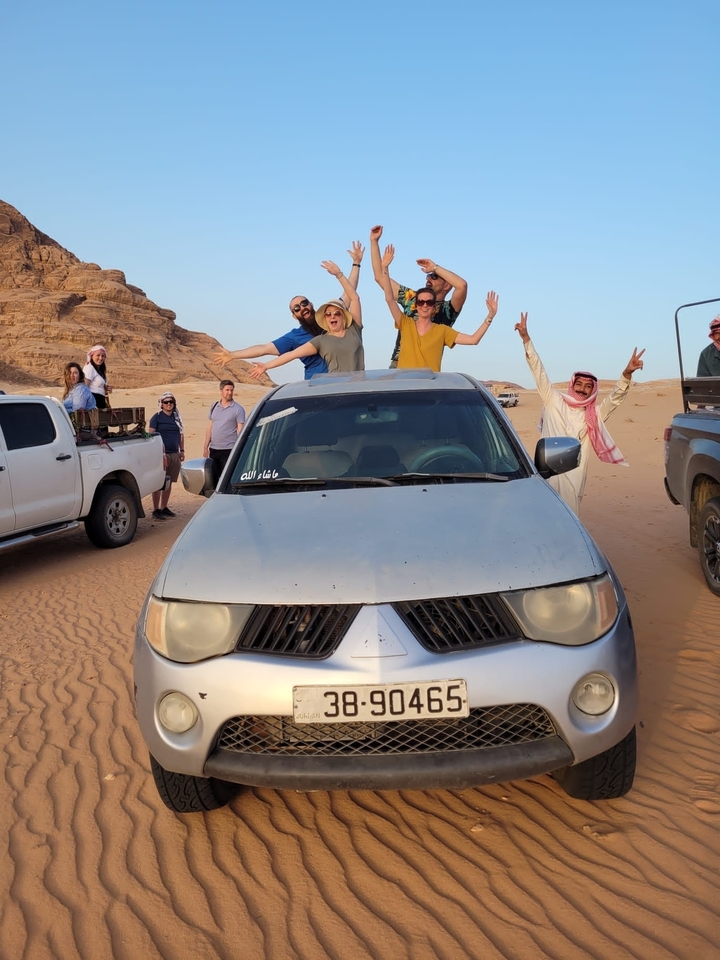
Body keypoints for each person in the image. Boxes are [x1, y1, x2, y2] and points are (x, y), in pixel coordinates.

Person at [515, 311, 646, 515]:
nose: (582, 389)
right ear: (572, 385)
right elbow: (538, 371)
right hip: (545, 478)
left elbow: (615, 399)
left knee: (569, 526)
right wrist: (526, 339)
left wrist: (627, 374)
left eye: (587, 386)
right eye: (579, 384)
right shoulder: (553, 400)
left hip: (573, 481)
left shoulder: (593, 415)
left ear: (592, 390)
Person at [213, 242, 365, 380]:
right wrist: (233, 355)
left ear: (311, 304)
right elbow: (265, 349)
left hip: (345, 382)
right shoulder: (295, 337)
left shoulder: (332, 316)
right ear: (294, 316)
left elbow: (350, 293)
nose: (302, 308)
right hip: (316, 385)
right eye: (297, 308)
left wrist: (356, 263)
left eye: (304, 303)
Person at [377, 245, 497, 372]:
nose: (424, 305)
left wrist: (490, 316)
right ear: (416, 305)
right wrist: (385, 267)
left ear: (434, 307)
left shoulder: (442, 329)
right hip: (404, 381)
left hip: (430, 383)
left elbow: (473, 340)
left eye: (429, 302)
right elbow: (389, 298)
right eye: (420, 302)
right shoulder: (406, 323)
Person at [370, 225, 469, 367]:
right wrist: (374, 242)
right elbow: (380, 277)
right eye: (428, 276)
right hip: (399, 365)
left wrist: (435, 268)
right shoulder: (412, 297)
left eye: (434, 277)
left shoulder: (449, 309)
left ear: (447, 285)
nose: (428, 278)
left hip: (427, 370)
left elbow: (462, 285)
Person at [249, 261, 363, 380]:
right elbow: (292, 355)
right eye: (328, 314)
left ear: (343, 315)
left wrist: (340, 274)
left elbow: (354, 297)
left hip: (358, 386)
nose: (332, 316)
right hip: (334, 388)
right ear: (325, 319)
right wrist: (266, 366)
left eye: (336, 313)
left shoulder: (354, 329)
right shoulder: (321, 341)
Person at [148, 392, 185, 519]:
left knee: (169, 482)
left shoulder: (177, 418)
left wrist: (182, 450)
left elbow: (181, 435)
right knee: (159, 482)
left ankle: (164, 507)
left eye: (171, 402)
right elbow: (151, 436)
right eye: (166, 402)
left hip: (174, 454)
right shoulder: (156, 417)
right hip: (161, 455)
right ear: (161, 404)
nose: (169, 404)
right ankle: (155, 509)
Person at [203, 379, 246, 483]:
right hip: (214, 449)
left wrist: (242, 449)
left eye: (231, 390)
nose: (230, 393)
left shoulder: (238, 409)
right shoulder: (214, 406)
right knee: (213, 479)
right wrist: (205, 447)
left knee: (226, 479)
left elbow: (241, 430)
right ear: (221, 391)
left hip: (229, 449)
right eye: (227, 390)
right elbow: (210, 427)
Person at [83, 345, 112, 409]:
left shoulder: (99, 370)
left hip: (100, 403)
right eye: (98, 355)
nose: (101, 358)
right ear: (92, 356)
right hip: (93, 405)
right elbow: (84, 388)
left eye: (103, 356)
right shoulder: (89, 368)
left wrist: (105, 388)